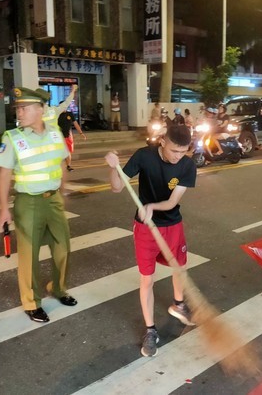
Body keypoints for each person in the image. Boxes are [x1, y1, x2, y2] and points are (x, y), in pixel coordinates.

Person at [104, 125, 197, 357]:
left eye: (183, 151)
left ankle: (179, 304)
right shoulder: (143, 156)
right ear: (163, 141)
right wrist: (113, 167)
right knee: (147, 279)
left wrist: (152, 206)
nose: (178, 156)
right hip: (145, 228)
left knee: (180, 268)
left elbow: (173, 201)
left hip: (172, 224)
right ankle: (150, 330)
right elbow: (116, 188)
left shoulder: (187, 165)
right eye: (175, 150)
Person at [0, 87, 77, 323]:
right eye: (18, 108)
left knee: (63, 248)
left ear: (41, 109)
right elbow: (4, 175)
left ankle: (59, 288)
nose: (19, 112)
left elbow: (61, 163)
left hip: (53, 200)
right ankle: (31, 302)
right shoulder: (12, 138)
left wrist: (63, 190)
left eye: (24, 108)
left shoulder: (55, 134)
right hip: (28, 203)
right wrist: (3, 208)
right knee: (29, 255)